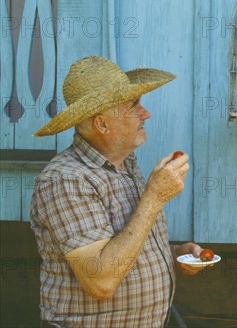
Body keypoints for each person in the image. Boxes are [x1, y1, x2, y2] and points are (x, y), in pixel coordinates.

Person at [30, 56, 208, 327]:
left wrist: (174, 255)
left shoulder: (125, 164)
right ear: (102, 124)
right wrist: (155, 196)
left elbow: (126, 246)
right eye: (134, 105)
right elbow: (101, 280)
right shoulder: (65, 179)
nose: (145, 113)